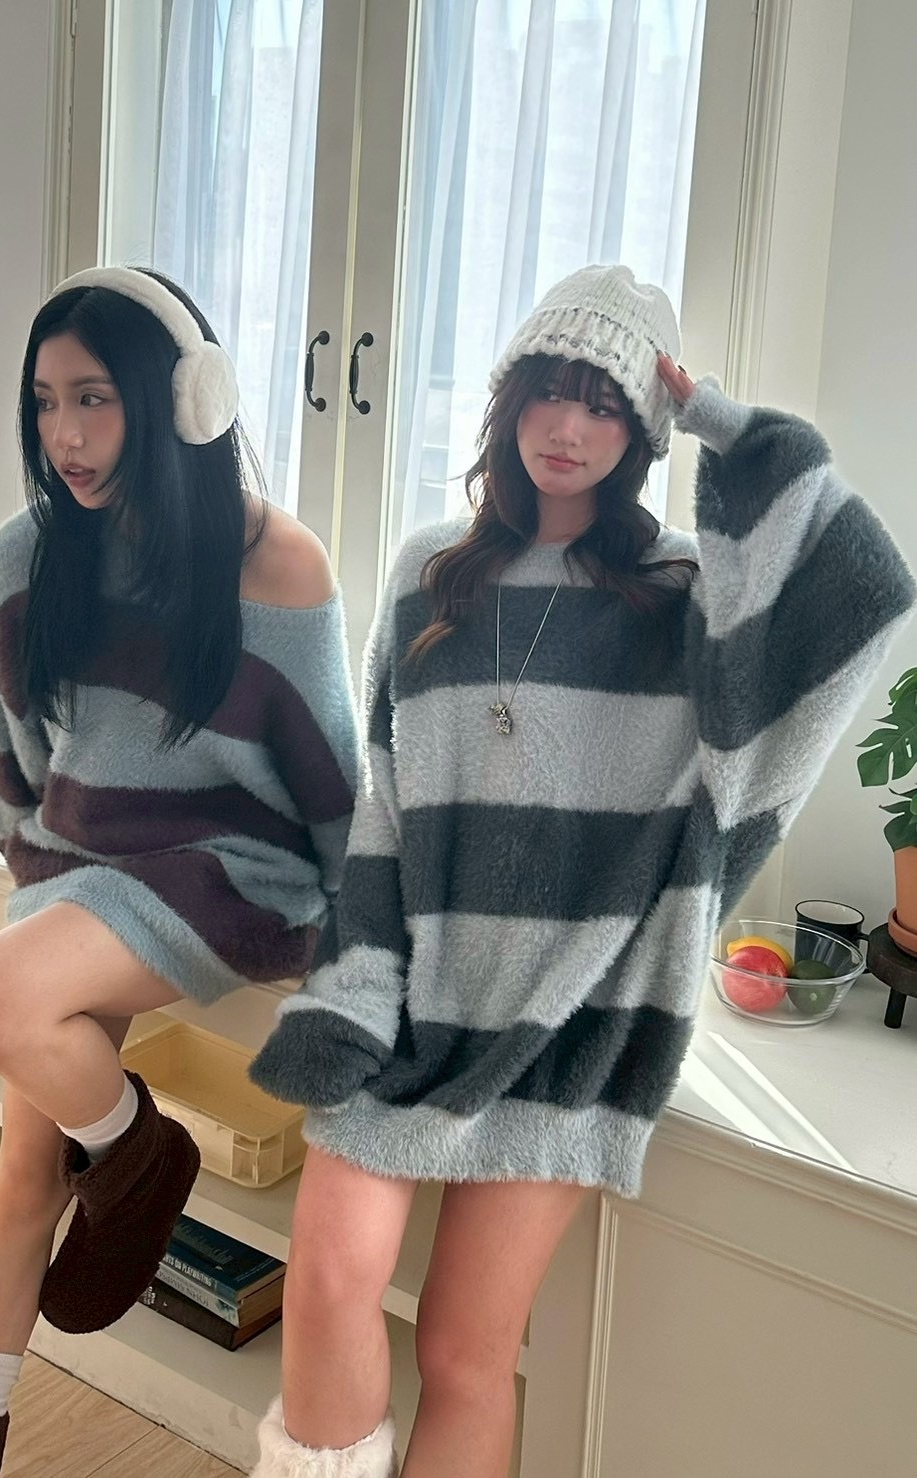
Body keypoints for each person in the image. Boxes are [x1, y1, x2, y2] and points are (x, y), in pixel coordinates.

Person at [247, 264, 915, 1478]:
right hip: (413, 998)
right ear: (507, 401)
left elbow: (864, 588)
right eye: (547, 392)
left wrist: (720, 420)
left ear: (643, 428)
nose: (566, 427)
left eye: (605, 403)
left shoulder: (684, 600)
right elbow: (384, 802)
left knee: (463, 1351)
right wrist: (355, 986)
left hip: (574, 1016)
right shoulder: (427, 572)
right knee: (328, 1279)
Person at [0, 266, 358, 1477]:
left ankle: (138, 1151)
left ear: (178, 400)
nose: (65, 435)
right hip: (81, 872)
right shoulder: (28, 552)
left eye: (94, 398)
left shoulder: (276, 562)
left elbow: (329, 777)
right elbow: (7, 762)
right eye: (46, 401)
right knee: (24, 1166)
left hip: (232, 872)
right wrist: (42, 889)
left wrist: (364, 941)